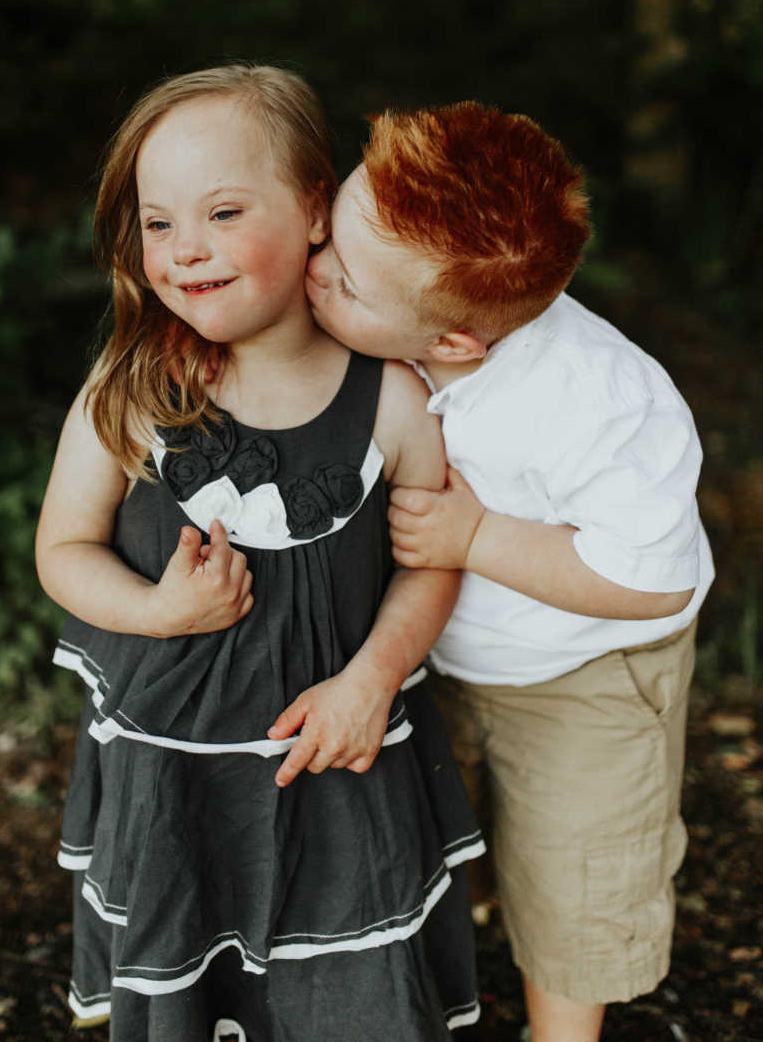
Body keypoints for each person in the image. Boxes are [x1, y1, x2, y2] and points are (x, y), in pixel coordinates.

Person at [35, 66, 485, 1042]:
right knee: (192, 995)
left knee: (344, 996)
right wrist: (154, 610)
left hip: (337, 765)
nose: (184, 248)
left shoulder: (392, 399)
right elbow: (63, 548)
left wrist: (372, 678)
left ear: (316, 209)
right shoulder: (135, 389)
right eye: (159, 224)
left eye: (224, 211)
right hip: (181, 773)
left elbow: (429, 557)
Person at [305, 100, 713, 1042]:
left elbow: (653, 579)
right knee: (469, 835)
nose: (316, 271)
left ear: (455, 344)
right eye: (332, 229)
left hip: (588, 678)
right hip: (456, 657)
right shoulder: (398, 323)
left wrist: (478, 537)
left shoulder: (602, 404)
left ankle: (561, 1030)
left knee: (575, 866)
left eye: (349, 284)